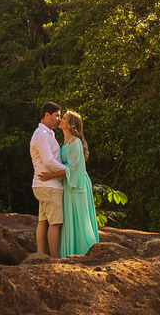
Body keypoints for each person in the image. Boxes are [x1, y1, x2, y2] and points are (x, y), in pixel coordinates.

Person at [40, 110, 99, 257]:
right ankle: (68, 252)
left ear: (71, 124)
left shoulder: (75, 142)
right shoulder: (65, 142)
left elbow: (73, 169)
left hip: (76, 184)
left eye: (64, 118)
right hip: (68, 183)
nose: (60, 120)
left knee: (78, 216)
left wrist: (50, 176)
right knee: (67, 218)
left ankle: (82, 251)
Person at [29, 101, 65, 257]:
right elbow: (48, 160)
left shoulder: (47, 134)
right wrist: (69, 171)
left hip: (43, 184)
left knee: (43, 221)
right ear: (47, 115)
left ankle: (41, 255)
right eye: (57, 116)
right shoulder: (42, 135)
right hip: (49, 185)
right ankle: (55, 258)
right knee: (55, 223)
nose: (59, 119)